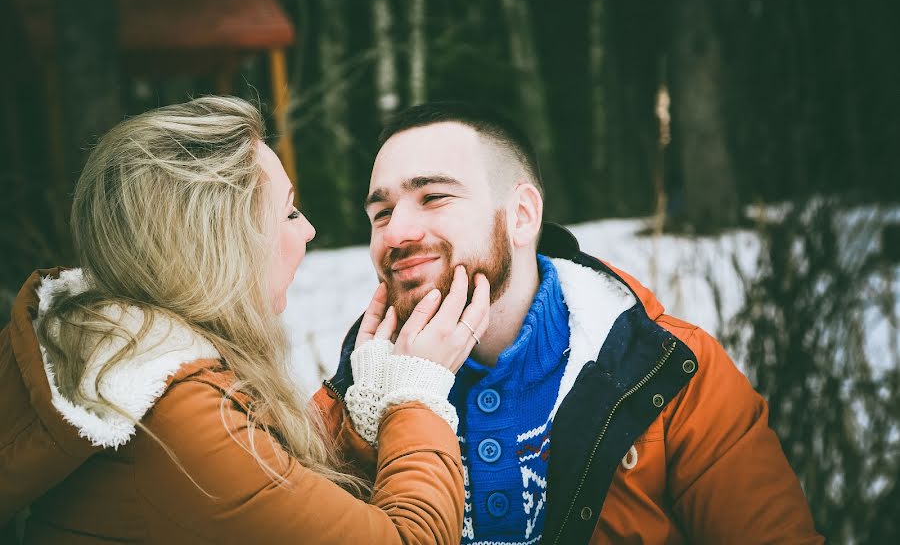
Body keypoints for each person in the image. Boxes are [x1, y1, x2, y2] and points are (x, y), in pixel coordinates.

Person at [313, 102, 824, 544]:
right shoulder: (347, 404)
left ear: (522, 215)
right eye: (380, 213)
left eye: (434, 197)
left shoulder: (668, 370)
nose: (396, 232)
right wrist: (368, 428)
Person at [0, 96, 491, 544]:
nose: (310, 230)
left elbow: (269, 488)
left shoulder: (136, 364)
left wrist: (355, 413)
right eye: (289, 212)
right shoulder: (172, 419)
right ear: (226, 241)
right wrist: (417, 396)